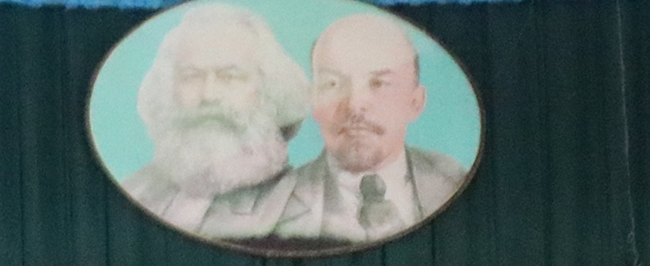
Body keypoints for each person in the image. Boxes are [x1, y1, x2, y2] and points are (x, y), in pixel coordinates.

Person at [230, 11, 471, 251]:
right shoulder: (267, 207)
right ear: (313, 100)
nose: (354, 104)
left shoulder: (454, 181)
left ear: (415, 103)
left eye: (378, 83)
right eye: (333, 84)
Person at [115, 2, 310, 236]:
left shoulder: (305, 207)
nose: (209, 95)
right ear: (168, 90)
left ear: (269, 90)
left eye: (230, 76)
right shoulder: (134, 191)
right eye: (191, 76)